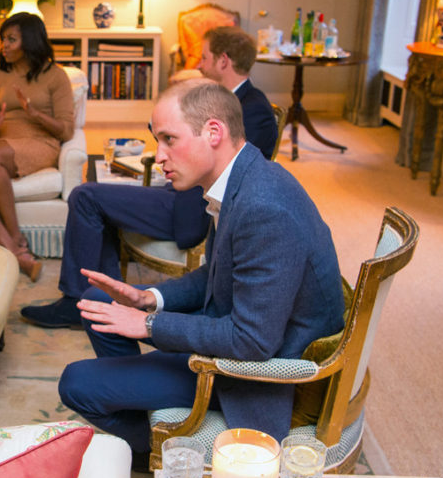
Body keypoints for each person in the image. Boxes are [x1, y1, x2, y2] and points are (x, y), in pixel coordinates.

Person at [56, 79, 344, 469]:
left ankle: (160, 450)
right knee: (94, 302)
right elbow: (216, 274)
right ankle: (151, 416)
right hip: (234, 328)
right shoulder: (240, 179)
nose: (159, 156)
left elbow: (252, 341)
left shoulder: (264, 208)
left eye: (169, 139)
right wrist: (150, 298)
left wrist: (150, 324)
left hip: (255, 376)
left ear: (213, 132)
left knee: (77, 384)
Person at [22, 25, 277, 328]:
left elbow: (234, 175)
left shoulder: (254, 109)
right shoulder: (218, 98)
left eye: (205, 57)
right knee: (97, 193)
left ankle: (77, 302)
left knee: (85, 195)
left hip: (192, 205)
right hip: (179, 192)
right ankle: (103, 299)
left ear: (224, 60)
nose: (199, 64)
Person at [0, 12, 75, 281]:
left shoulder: (56, 76)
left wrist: (36, 115)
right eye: (2, 39)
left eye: (11, 39)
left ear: (29, 41)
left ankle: (17, 238)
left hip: (40, 143)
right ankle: (15, 252)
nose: (3, 46)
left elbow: (66, 130)